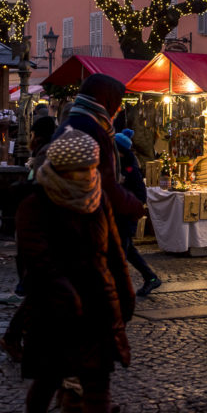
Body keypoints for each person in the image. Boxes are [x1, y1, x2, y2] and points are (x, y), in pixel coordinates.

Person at [14, 127, 134, 413]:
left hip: (98, 305)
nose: (88, 176)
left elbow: (114, 252)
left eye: (92, 169)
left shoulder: (99, 199)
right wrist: (62, 291)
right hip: (55, 311)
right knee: (49, 377)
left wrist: (124, 296)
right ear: (63, 171)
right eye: (81, 170)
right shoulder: (34, 204)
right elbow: (36, 261)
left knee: (98, 382)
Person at [61, 74, 157, 297]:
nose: (118, 110)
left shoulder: (74, 123)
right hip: (87, 224)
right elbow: (102, 183)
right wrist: (133, 205)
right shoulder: (92, 129)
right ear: (105, 101)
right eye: (117, 103)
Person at [0, 116, 57, 362]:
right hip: (39, 230)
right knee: (42, 291)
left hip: (35, 229)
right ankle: (14, 337)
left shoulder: (44, 153)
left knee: (43, 291)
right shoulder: (47, 156)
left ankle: (24, 339)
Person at [114, 128, 162, 295]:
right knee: (129, 251)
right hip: (120, 217)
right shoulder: (119, 167)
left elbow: (141, 195)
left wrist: (122, 188)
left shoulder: (131, 170)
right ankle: (151, 278)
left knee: (121, 252)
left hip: (125, 218)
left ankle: (120, 289)